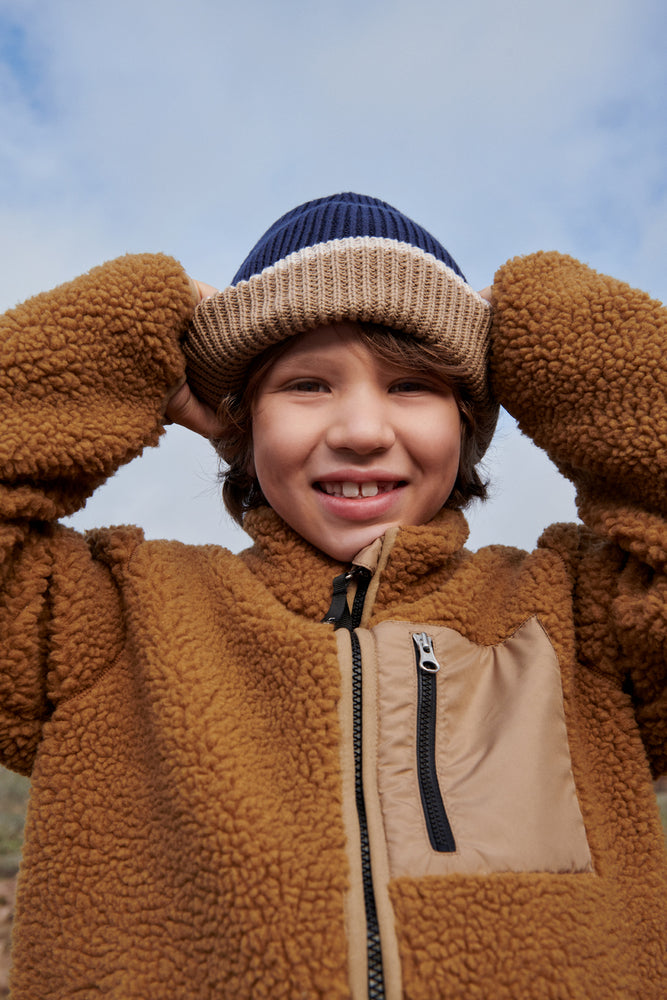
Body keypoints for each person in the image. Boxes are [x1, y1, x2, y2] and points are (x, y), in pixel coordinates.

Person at [1, 192, 665, 999]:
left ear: (468, 424)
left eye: (412, 386)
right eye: (307, 385)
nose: (359, 428)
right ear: (237, 425)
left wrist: (543, 326)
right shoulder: (108, 618)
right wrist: (136, 323)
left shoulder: (582, 617)